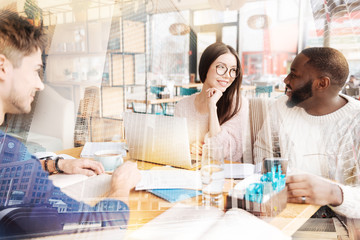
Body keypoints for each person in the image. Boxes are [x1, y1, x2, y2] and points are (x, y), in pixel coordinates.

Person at [0, 10, 141, 236]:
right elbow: (98, 228)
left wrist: (58, 164)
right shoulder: (8, 156)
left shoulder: (10, 157)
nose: (40, 85)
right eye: (36, 71)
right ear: (3, 66)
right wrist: (121, 185)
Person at [253, 47, 360, 218]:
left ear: (322, 83)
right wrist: (275, 181)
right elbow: (263, 150)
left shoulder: (356, 121)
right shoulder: (281, 107)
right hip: (284, 215)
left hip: (341, 225)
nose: (286, 80)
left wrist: (335, 193)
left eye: (294, 75)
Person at [174, 42, 249, 162]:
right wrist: (188, 148)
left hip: (225, 175)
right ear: (206, 67)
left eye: (233, 70)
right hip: (190, 172)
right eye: (221, 67)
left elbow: (226, 152)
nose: (227, 75)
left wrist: (212, 107)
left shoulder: (239, 104)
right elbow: (174, 147)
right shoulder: (182, 106)